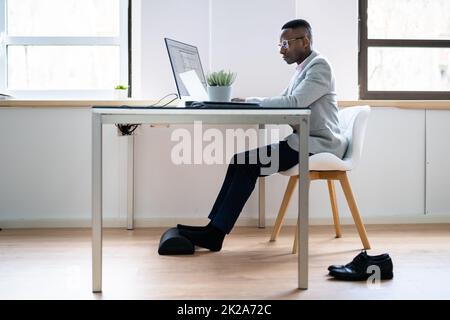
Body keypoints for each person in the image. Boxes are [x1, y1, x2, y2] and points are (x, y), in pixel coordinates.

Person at [176, 19, 348, 252]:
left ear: (305, 41)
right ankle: (213, 227)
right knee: (240, 160)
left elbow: (294, 103)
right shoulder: (303, 69)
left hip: (318, 146)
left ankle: (215, 234)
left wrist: (249, 102)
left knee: (247, 164)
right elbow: (285, 102)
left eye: (285, 43)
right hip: (304, 141)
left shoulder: (320, 67)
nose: (281, 50)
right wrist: (247, 104)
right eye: (279, 44)